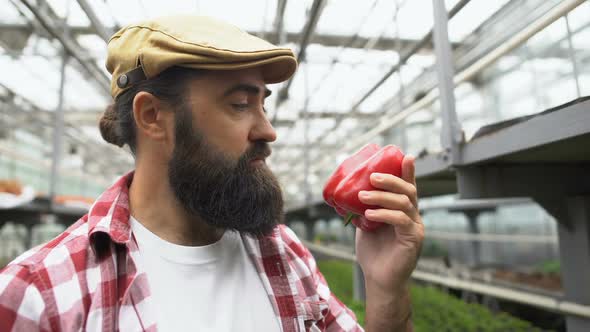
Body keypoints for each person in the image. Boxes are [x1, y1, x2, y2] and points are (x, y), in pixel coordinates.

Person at [0, 15, 424, 331]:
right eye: (240, 104)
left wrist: (385, 288)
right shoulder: (39, 294)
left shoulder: (282, 253)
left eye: (263, 104)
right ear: (152, 117)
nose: (268, 130)